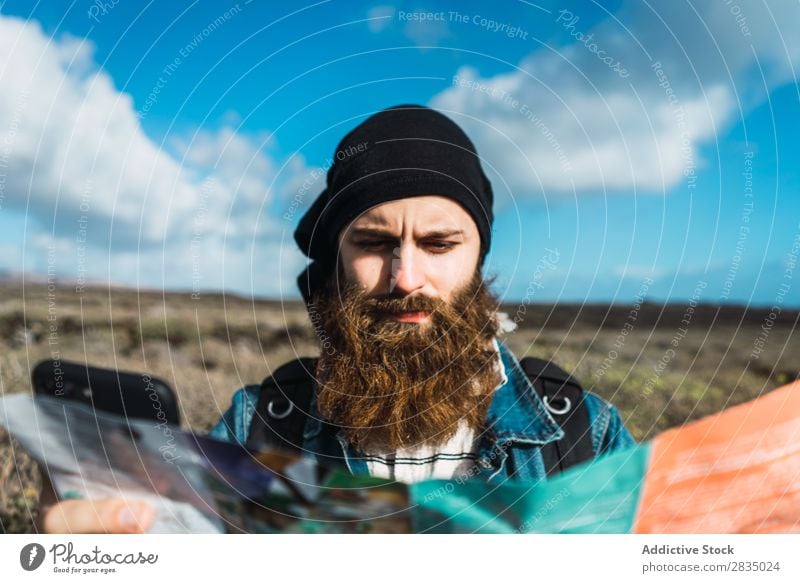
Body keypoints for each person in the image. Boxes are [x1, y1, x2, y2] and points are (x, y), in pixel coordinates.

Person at [37, 104, 634, 533]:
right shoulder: (260, 429)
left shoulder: (583, 438)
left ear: (478, 259)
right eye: (374, 243)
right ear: (336, 262)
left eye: (439, 244)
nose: (405, 278)